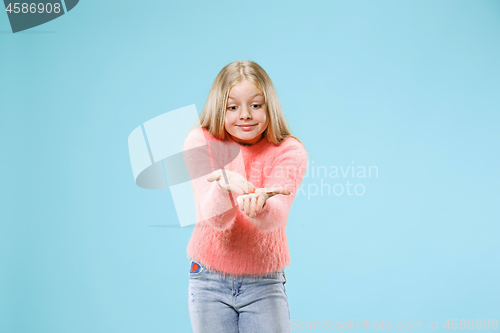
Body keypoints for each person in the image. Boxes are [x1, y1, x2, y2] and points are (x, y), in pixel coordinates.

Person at [183, 60, 309, 333]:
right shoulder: (200, 141)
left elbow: (275, 216)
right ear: (220, 108)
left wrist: (261, 206)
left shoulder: (289, 150)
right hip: (207, 280)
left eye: (255, 105)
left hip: (264, 283)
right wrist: (224, 187)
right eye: (232, 107)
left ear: (269, 107)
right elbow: (214, 219)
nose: (245, 115)